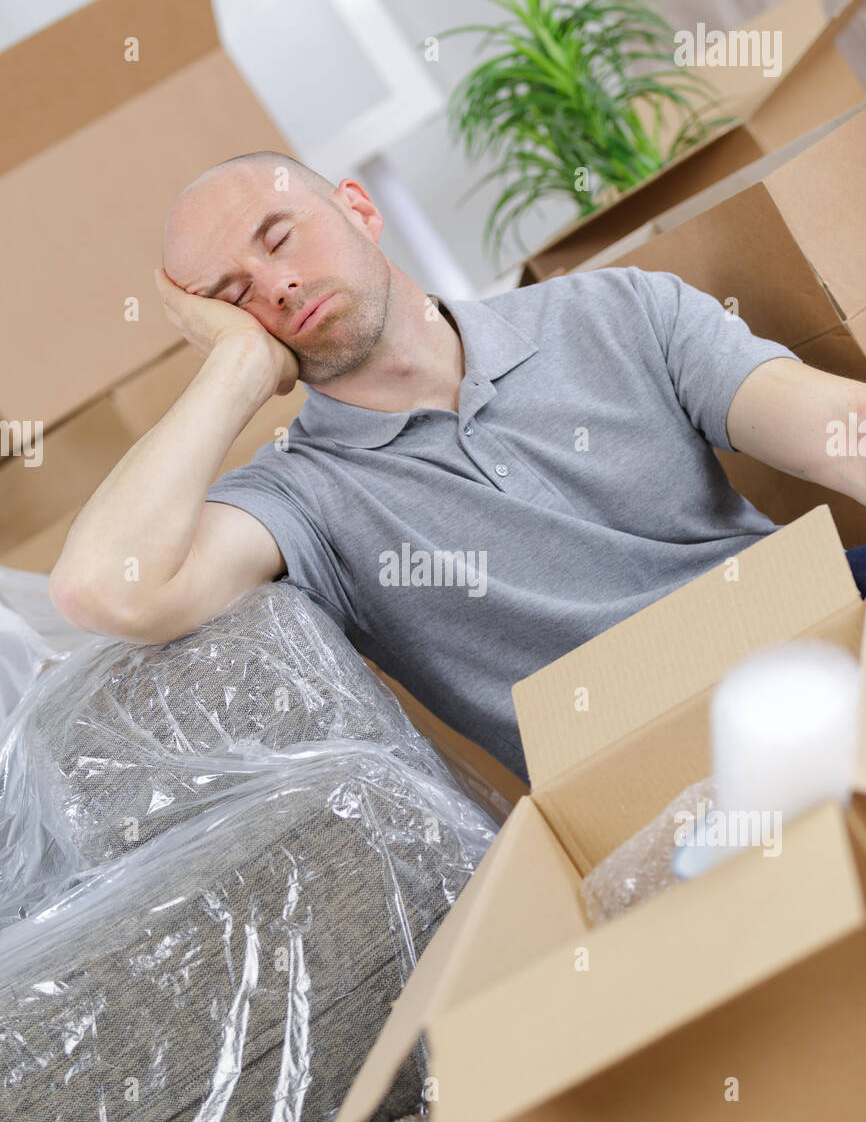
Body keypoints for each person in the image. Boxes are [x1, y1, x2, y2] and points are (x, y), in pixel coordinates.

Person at [49, 151, 866, 785]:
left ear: (358, 207)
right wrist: (235, 371)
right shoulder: (301, 496)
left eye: (280, 237)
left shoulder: (615, 309)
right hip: (657, 768)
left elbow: (839, 428)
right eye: (235, 296)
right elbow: (104, 587)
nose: (280, 284)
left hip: (818, 643)